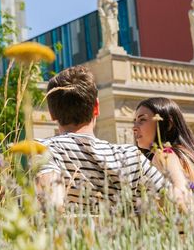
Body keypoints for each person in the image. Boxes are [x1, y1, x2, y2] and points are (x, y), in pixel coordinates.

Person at [35, 66, 183, 212]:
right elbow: (178, 205)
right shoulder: (131, 155)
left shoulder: (44, 149)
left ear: (52, 114)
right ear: (96, 108)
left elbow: (52, 207)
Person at [133, 97, 194, 206]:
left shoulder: (164, 154)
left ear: (168, 124)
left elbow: (181, 196)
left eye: (142, 120)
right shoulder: (192, 155)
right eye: (134, 121)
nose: (134, 127)